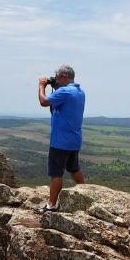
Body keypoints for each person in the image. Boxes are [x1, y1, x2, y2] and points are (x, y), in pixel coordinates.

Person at [38, 65, 85, 211]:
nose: (56, 79)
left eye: (57, 77)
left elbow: (44, 102)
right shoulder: (80, 91)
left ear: (64, 76)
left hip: (60, 141)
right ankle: (87, 193)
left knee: (56, 173)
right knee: (74, 168)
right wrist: (56, 86)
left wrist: (41, 86)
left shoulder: (64, 91)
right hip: (74, 139)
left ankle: (51, 205)